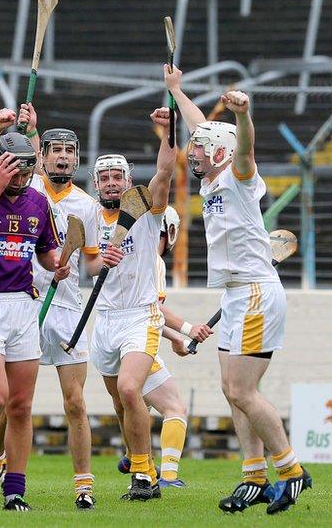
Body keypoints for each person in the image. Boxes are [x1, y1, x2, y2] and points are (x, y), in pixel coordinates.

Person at [168, 65, 311, 514]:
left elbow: (244, 149)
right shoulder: (213, 179)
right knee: (232, 391)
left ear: (222, 153)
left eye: (201, 149)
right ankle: (253, 475)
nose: (193, 152)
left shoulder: (238, 177)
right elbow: (201, 125)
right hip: (234, 294)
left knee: (243, 390)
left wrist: (245, 116)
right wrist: (177, 90)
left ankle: (291, 473)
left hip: (253, 292)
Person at [0, 131, 70, 511]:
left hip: (22, 306)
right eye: (13, 168)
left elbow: (46, 253)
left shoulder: (38, 203)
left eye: (26, 168)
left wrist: (59, 264)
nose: (20, 176)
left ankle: (14, 491)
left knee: (20, 406)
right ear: (1, 163)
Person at [88, 106, 175, 501]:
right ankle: (142, 462)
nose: (110, 183)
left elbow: (166, 172)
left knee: (128, 389)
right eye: (103, 177)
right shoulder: (89, 217)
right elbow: (86, 265)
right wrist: (96, 262)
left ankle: (144, 476)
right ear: (95, 183)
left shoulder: (145, 211)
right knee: (120, 404)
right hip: (103, 320)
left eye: (117, 176)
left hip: (140, 316)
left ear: (128, 180)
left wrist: (168, 132)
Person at [113, 205, 213, 488]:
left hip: (122, 338)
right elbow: (154, 308)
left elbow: (150, 313)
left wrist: (176, 339)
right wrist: (185, 329)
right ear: (170, 231)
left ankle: (133, 455)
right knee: (174, 407)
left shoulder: (132, 257)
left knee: (137, 403)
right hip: (138, 343)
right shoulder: (153, 261)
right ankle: (165, 474)